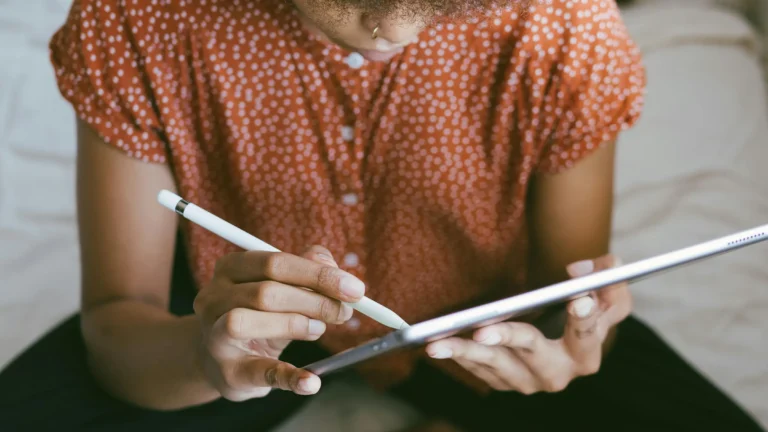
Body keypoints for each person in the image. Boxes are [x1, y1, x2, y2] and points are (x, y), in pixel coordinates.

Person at [0, 0, 764, 430]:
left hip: (479, 323)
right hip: (222, 319)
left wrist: (567, 351)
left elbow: (564, 297)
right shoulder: (138, 20)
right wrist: (204, 359)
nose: (395, 29)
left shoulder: (564, 30)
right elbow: (117, 322)